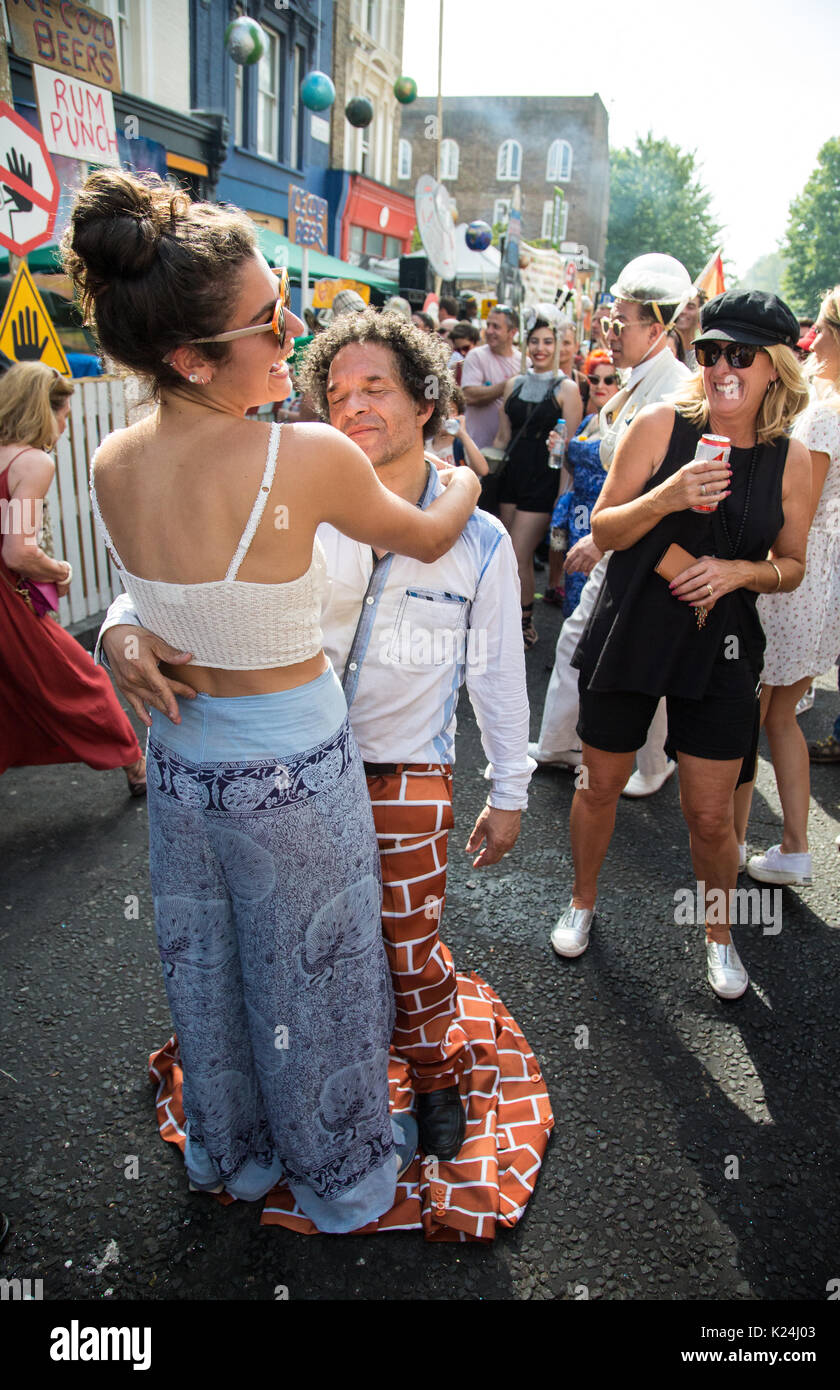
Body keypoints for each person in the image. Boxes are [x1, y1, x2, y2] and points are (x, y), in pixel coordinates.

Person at [67, 169, 480, 1229]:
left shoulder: (112, 463)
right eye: (268, 322)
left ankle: (235, 1157)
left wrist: (117, 629)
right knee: (318, 981)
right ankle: (341, 1178)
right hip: (294, 766)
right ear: (188, 356)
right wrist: (470, 472)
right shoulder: (305, 456)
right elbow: (431, 534)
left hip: (181, 763)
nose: (292, 331)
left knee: (208, 969)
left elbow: (162, 590)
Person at [98, 307, 532, 1167]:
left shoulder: (477, 540)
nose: (354, 405)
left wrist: (511, 790)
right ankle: (308, 1101)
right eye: (337, 391)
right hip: (287, 778)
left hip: (405, 770)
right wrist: (118, 628)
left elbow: (496, 676)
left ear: (425, 403)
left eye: (377, 388)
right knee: (293, 952)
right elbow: (182, 583)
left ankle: (436, 1078)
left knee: (406, 947)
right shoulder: (300, 497)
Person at [551, 290, 810, 1000]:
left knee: (708, 811)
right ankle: (581, 900)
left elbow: (792, 566)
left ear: (775, 368)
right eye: (711, 351)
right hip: (633, 627)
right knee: (600, 782)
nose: (723, 366)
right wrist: (669, 496)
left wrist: (738, 571)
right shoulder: (662, 425)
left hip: (722, 643)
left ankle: (720, 938)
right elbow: (603, 531)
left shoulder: (794, 461)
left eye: (741, 354)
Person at [529, 254, 693, 778]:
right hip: (620, 538)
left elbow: (658, 485)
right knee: (580, 638)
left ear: (659, 326)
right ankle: (558, 742)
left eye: (620, 324)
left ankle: (652, 763)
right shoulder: (638, 379)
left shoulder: (673, 388)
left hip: (648, 545)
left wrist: (602, 540)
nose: (610, 333)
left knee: (645, 656)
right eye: (608, 321)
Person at [734, 276, 840, 875]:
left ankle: (731, 844)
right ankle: (793, 847)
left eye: (825, 325)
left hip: (797, 578)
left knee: (745, 717)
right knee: (781, 715)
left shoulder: (828, 417)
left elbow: (797, 512)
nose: (813, 337)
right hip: (834, 584)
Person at [0, 361, 146, 795]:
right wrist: (59, 570)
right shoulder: (32, 463)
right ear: (46, 411)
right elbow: (18, 550)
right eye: (64, 414)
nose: (64, 425)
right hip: (10, 601)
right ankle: (135, 767)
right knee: (83, 681)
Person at [491, 311, 583, 648]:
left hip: (543, 481)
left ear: (558, 346)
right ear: (525, 344)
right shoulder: (513, 384)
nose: (540, 348)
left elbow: (571, 449)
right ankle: (512, 620)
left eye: (548, 342)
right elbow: (502, 438)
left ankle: (525, 625)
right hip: (511, 478)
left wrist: (563, 497)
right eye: (534, 341)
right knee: (510, 555)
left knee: (517, 552)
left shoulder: (568, 388)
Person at [548, 350, 619, 615]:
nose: (600, 386)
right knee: (573, 587)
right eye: (594, 379)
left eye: (609, 380)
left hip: (601, 518)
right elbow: (573, 465)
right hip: (576, 514)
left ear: (622, 385)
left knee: (593, 597)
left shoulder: (628, 425)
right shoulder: (589, 421)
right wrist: (559, 449)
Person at [461, 304, 521, 450]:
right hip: (477, 450)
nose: (489, 331)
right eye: (488, 325)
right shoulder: (476, 356)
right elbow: (469, 396)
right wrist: (511, 384)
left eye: (496, 327)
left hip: (508, 452)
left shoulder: (524, 362)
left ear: (512, 332)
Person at [428, 384, 489, 477]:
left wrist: (463, 434)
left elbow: (483, 470)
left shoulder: (462, 445)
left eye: (451, 411)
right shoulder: (425, 447)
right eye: (441, 411)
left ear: (459, 415)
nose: (447, 417)